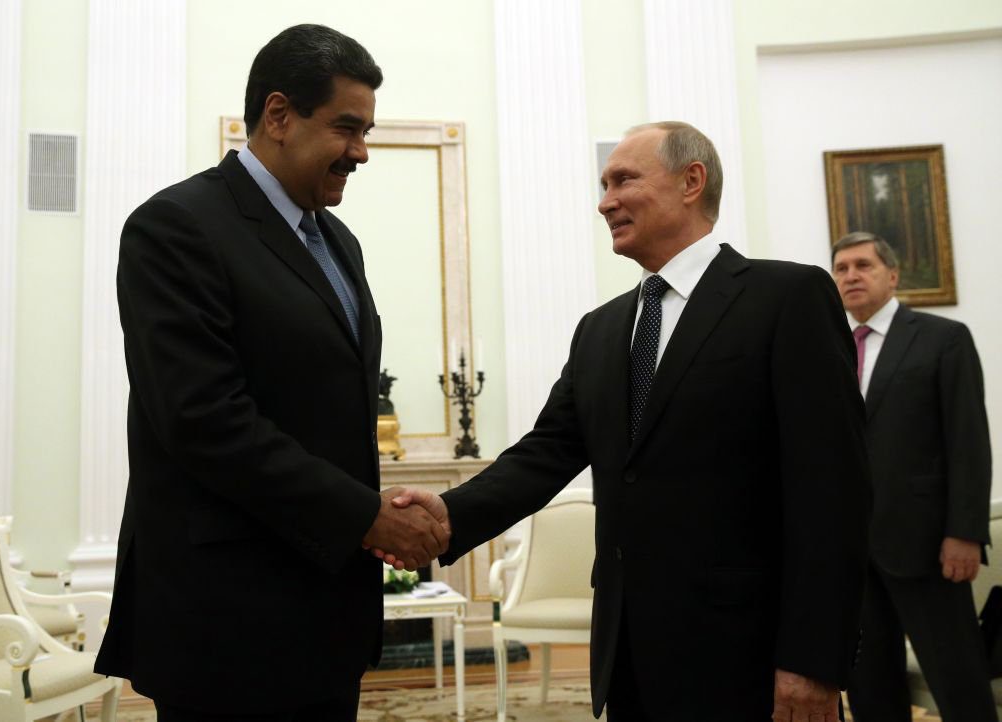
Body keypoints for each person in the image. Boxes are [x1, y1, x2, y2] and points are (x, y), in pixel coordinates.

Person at [385, 121, 870, 721]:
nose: (604, 200)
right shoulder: (602, 328)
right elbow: (548, 451)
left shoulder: (786, 297)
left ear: (692, 181)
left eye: (623, 180)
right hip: (629, 649)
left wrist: (813, 658)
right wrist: (451, 512)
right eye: (603, 184)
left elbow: (832, 491)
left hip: (748, 648)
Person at [94, 24, 448, 721]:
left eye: (368, 130)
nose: (362, 152)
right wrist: (365, 515)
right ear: (279, 115)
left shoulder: (337, 241)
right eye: (347, 128)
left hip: (324, 612)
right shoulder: (176, 227)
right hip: (226, 621)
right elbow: (206, 422)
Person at [831, 231, 996, 721]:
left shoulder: (942, 338)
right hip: (851, 551)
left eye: (863, 265)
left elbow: (968, 441)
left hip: (927, 546)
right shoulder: (828, 347)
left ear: (893, 275)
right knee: (870, 687)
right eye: (841, 269)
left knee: (958, 680)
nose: (851, 276)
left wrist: (964, 533)